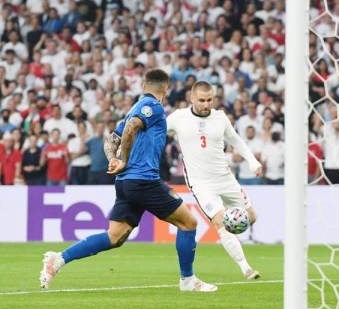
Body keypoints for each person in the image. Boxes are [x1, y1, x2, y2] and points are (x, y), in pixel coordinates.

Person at [40, 69, 217, 293]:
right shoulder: (153, 107)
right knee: (189, 223)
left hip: (126, 183)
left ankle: (58, 259)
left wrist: (113, 158)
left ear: (144, 85)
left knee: (115, 237)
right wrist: (121, 161)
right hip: (144, 180)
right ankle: (188, 280)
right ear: (166, 89)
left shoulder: (135, 108)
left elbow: (111, 138)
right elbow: (132, 127)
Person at [167, 81, 261, 280]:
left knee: (251, 217)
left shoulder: (220, 117)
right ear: (191, 98)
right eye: (201, 100)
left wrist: (253, 162)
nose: (206, 104)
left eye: (210, 100)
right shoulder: (178, 118)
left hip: (225, 178)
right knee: (221, 222)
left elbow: (236, 140)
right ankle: (246, 268)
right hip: (201, 184)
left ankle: (228, 238)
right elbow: (156, 132)